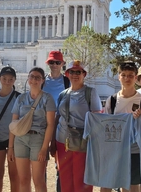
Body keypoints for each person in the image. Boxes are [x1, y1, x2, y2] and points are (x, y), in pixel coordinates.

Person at [52, 60, 102, 192]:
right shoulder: (63, 94)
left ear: (83, 74)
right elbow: (57, 117)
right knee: (65, 180)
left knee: (81, 182)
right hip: (62, 141)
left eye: (78, 72)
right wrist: (52, 142)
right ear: (67, 74)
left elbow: (97, 119)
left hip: (82, 142)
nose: (75, 75)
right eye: (72, 72)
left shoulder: (90, 93)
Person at [7, 67, 56, 192]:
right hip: (20, 139)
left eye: (37, 77)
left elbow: (50, 124)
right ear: (28, 79)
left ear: (42, 80)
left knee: (38, 180)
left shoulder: (47, 98)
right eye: (32, 76)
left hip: (38, 139)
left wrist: (45, 148)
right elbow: (14, 124)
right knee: (23, 179)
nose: (34, 79)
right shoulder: (21, 98)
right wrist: (10, 147)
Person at [102, 61, 141, 192]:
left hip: (135, 150)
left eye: (130, 75)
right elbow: (106, 125)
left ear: (136, 77)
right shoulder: (112, 100)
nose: (127, 78)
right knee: (109, 183)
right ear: (119, 77)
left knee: (132, 186)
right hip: (115, 149)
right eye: (124, 75)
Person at [42, 50, 70, 192]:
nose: (54, 65)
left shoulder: (67, 81)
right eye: (51, 62)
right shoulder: (42, 81)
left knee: (60, 164)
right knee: (41, 163)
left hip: (61, 125)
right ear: (48, 64)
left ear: (62, 64)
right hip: (43, 125)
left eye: (57, 62)